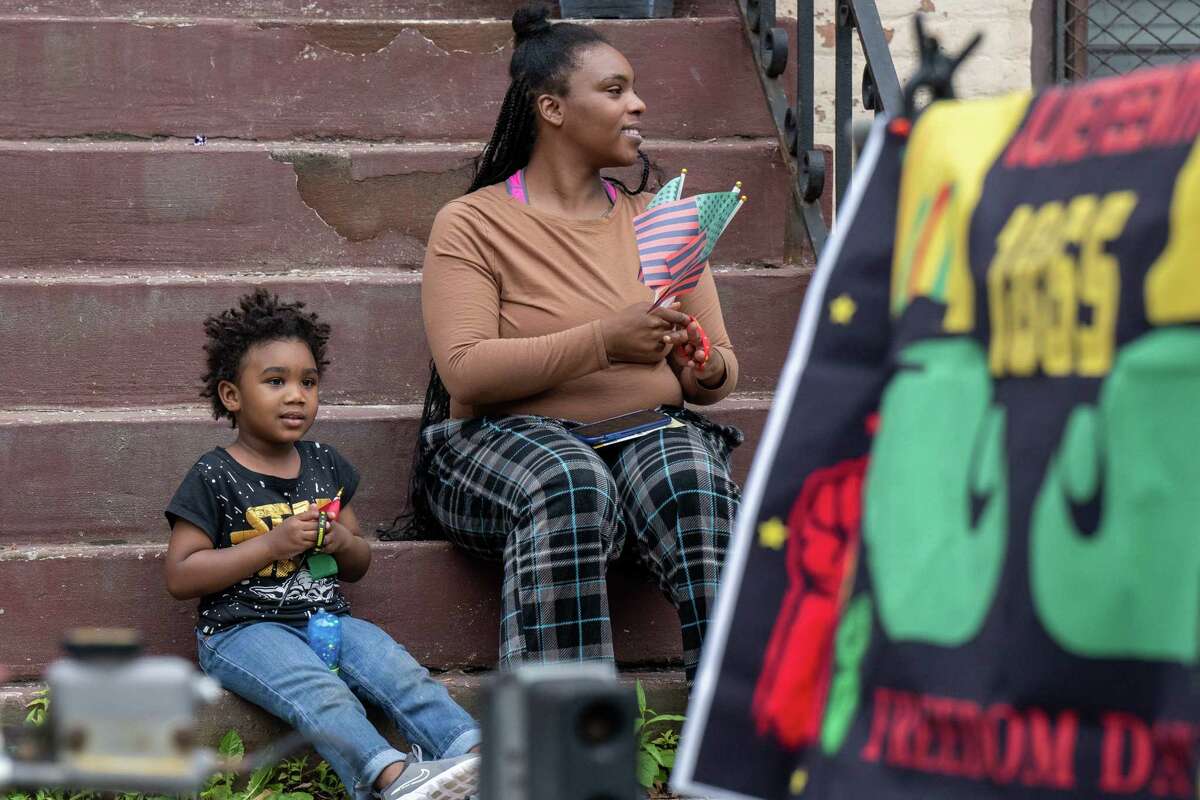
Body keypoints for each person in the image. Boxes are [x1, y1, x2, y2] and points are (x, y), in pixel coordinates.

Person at [405, 3, 743, 684]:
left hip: (642, 436)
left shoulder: (661, 221)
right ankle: (562, 747)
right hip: (496, 448)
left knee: (695, 479)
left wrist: (700, 365)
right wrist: (605, 341)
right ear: (552, 109)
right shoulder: (473, 223)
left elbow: (722, 374)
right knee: (570, 479)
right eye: (615, 90)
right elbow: (466, 372)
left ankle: (734, 724)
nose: (638, 104)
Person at [164, 290, 481, 800]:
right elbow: (181, 576)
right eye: (276, 381)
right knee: (321, 691)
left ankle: (472, 755)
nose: (296, 395)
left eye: (308, 382)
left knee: (398, 670)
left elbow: (358, 563)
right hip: (240, 630)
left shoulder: (324, 464)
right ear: (231, 395)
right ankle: (393, 778)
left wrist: (340, 540)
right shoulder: (213, 474)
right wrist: (271, 544)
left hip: (325, 620)